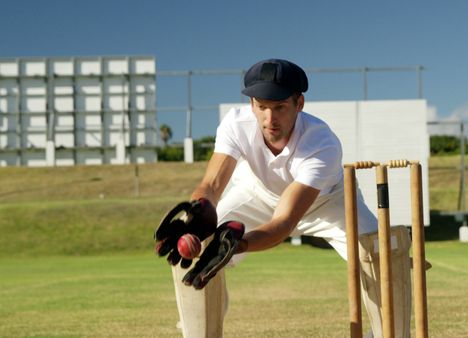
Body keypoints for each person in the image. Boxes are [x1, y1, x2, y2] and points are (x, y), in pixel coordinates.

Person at [157, 59, 413, 337]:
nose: (269, 119)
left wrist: (239, 244)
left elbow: (284, 221)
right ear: (252, 104)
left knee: (383, 253)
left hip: (327, 204)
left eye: (279, 107)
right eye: (261, 107)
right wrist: (199, 212)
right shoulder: (235, 123)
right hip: (255, 195)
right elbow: (212, 184)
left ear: (299, 103)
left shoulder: (321, 143)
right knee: (202, 248)